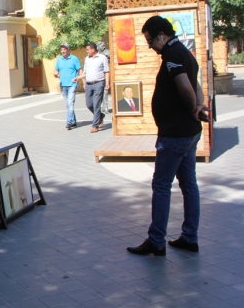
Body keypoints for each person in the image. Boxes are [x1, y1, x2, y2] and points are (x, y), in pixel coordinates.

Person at [127, 16, 209, 256]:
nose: (150, 46)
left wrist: (194, 109)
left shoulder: (173, 56)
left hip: (175, 134)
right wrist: (198, 107)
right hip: (188, 134)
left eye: (150, 40)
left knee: (162, 185)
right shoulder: (184, 52)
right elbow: (197, 85)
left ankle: (156, 241)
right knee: (188, 184)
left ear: (161, 35)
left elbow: (186, 87)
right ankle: (189, 237)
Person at [72, 42, 109, 133]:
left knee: (96, 104)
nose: (86, 51)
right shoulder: (87, 59)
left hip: (99, 83)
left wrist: (107, 82)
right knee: (89, 104)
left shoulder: (102, 58)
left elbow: (106, 71)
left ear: (93, 49)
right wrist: (78, 77)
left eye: (88, 49)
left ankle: (95, 125)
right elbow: (85, 73)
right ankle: (100, 116)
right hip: (89, 84)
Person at [54, 43, 82, 130]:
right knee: (68, 105)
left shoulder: (74, 59)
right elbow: (56, 70)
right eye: (62, 49)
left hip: (72, 84)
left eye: (64, 49)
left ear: (68, 49)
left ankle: (69, 122)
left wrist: (82, 81)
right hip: (63, 85)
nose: (63, 50)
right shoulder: (59, 59)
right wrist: (55, 74)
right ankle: (73, 121)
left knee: (70, 104)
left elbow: (80, 71)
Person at [97, 41, 111, 114]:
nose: (103, 47)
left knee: (105, 91)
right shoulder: (96, 54)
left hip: (106, 74)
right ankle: (100, 107)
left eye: (103, 45)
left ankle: (105, 107)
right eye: (101, 45)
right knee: (99, 92)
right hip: (98, 75)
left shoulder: (108, 52)